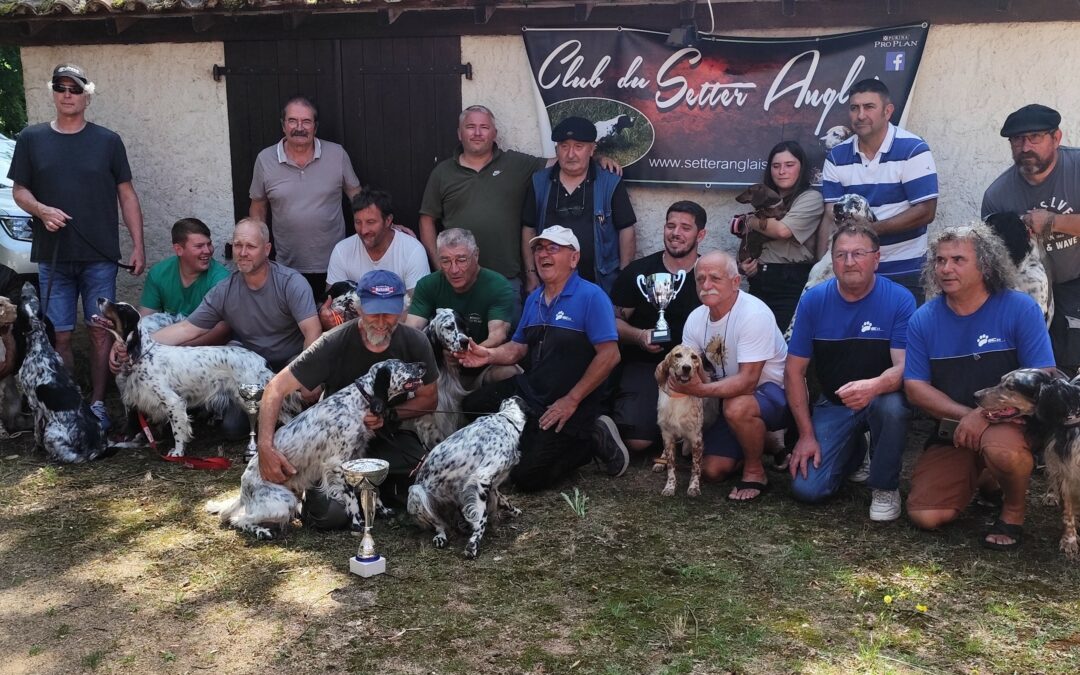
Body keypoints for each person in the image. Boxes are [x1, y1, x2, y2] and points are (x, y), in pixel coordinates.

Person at [8, 63, 146, 429]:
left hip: (100, 256)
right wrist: (41, 210)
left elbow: (127, 194)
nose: (67, 94)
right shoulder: (31, 139)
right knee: (62, 334)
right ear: (53, 92)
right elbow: (19, 191)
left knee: (101, 331)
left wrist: (138, 245)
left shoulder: (108, 141)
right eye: (60, 86)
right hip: (53, 256)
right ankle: (70, 407)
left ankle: (99, 405)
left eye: (74, 88)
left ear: (87, 94)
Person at [904, 223, 1054, 550]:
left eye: (958, 260)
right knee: (926, 515)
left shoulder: (1019, 307)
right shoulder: (923, 319)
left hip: (1008, 425)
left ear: (985, 265)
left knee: (1002, 450)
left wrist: (985, 417)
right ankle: (988, 477)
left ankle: (1012, 511)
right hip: (953, 430)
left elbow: (1043, 374)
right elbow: (915, 387)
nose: (946, 268)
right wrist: (968, 416)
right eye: (940, 260)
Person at [256, 270, 438, 520]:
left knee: (427, 478)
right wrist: (265, 446)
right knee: (332, 516)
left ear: (403, 311)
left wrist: (390, 414)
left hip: (389, 436)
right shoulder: (334, 341)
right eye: (374, 312)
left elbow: (430, 399)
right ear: (360, 309)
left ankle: (378, 492)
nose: (382, 321)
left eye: (391, 313)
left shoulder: (416, 341)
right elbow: (275, 388)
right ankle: (340, 496)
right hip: (336, 450)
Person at [458, 226, 629, 491]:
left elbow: (610, 355)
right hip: (532, 393)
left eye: (553, 248)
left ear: (574, 259)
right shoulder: (534, 298)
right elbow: (518, 348)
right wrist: (487, 355)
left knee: (527, 478)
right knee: (472, 404)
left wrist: (571, 401)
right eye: (539, 248)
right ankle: (533, 438)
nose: (543, 254)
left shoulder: (592, 296)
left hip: (573, 402)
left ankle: (588, 440)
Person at [419, 105, 620, 305]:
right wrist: (441, 267)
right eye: (471, 126)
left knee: (505, 334)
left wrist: (596, 158)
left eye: (484, 127)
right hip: (457, 277)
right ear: (459, 133)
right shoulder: (442, 172)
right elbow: (427, 220)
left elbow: (562, 161)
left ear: (494, 133)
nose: (478, 133)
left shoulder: (516, 163)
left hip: (506, 278)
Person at [785, 223, 915, 521]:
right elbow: (794, 371)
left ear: (876, 259)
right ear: (832, 261)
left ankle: (884, 486)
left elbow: (905, 367)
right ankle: (857, 450)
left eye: (858, 253)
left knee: (892, 407)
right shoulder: (813, 300)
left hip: (882, 398)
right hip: (834, 402)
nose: (849, 262)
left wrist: (873, 387)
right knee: (808, 490)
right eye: (841, 254)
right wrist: (806, 435)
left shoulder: (900, 299)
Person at [674, 251, 789, 502]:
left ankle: (756, 471)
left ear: (735, 282)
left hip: (771, 395)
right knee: (712, 471)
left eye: (715, 278)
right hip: (730, 399)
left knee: (737, 407)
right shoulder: (696, 318)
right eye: (700, 279)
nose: (706, 286)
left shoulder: (753, 314)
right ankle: (768, 443)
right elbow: (688, 367)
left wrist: (700, 390)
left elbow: (748, 381)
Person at [981, 103, 1080, 373]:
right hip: (1026, 291)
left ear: (1056, 138)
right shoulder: (997, 196)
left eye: (1035, 137)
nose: (1025, 147)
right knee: (1033, 367)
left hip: (1076, 281)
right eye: (1017, 140)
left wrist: (1053, 222)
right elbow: (991, 258)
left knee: (1073, 362)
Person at [820, 78, 938, 303]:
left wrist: (871, 231)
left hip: (905, 271)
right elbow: (831, 214)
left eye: (869, 107)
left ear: (888, 111)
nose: (861, 115)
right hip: (852, 272)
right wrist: (827, 266)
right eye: (855, 108)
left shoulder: (913, 149)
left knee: (902, 339)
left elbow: (926, 211)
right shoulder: (836, 157)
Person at [153, 219, 321, 373]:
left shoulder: (291, 283)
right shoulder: (224, 290)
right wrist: (138, 342)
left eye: (251, 246)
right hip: (251, 366)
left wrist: (305, 375)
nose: (243, 252)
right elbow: (187, 329)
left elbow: (312, 332)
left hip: (293, 363)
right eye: (237, 245)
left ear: (267, 249)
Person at [608, 200, 704, 452]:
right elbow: (611, 323)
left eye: (685, 227)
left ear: (700, 235)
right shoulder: (638, 272)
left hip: (693, 369)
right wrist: (639, 335)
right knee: (637, 442)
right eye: (670, 225)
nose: (676, 233)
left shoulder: (709, 276)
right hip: (645, 365)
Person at [249, 96, 361, 301]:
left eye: (306, 122)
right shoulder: (265, 159)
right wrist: (258, 249)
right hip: (286, 266)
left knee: (334, 322)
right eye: (293, 121)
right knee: (293, 325)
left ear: (315, 127)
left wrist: (381, 226)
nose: (299, 127)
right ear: (283, 125)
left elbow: (357, 198)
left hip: (334, 264)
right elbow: (258, 208)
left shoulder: (337, 154)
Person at [522, 116, 636, 294]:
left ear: (592, 150)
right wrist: (531, 274)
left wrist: (623, 278)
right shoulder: (539, 182)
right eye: (564, 146)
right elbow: (528, 229)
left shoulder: (610, 182)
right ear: (557, 149)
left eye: (578, 146)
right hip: (549, 286)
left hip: (599, 285)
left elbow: (626, 230)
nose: (570, 154)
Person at [404, 228, 519, 387]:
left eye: (461, 259)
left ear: (476, 255)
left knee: (509, 372)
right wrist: (437, 353)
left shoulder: (497, 285)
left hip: (482, 367)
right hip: (442, 371)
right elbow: (411, 331)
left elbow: (497, 335)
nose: (454, 269)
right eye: (445, 261)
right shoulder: (427, 285)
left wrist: (466, 353)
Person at [738, 140, 824, 331]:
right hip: (758, 281)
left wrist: (749, 221)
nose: (781, 171)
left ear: (801, 168)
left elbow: (782, 230)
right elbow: (750, 240)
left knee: (784, 350)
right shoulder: (762, 200)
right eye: (776, 166)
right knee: (754, 346)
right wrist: (745, 266)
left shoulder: (810, 198)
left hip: (790, 284)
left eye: (789, 165)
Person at [323, 188, 429, 326]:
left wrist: (380, 328)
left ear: (388, 220)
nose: (363, 230)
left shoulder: (412, 250)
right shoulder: (342, 250)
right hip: (354, 332)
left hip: (398, 331)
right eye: (358, 222)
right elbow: (330, 303)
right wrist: (327, 318)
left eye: (370, 222)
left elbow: (417, 310)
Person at [138, 217, 230, 345]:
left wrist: (180, 348)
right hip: (167, 341)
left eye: (209, 244)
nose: (207, 251)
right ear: (178, 249)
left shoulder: (221, 279)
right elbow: (144, 320)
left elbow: (222, 331)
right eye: (199, 246)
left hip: (204, 347)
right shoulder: (159, 273)